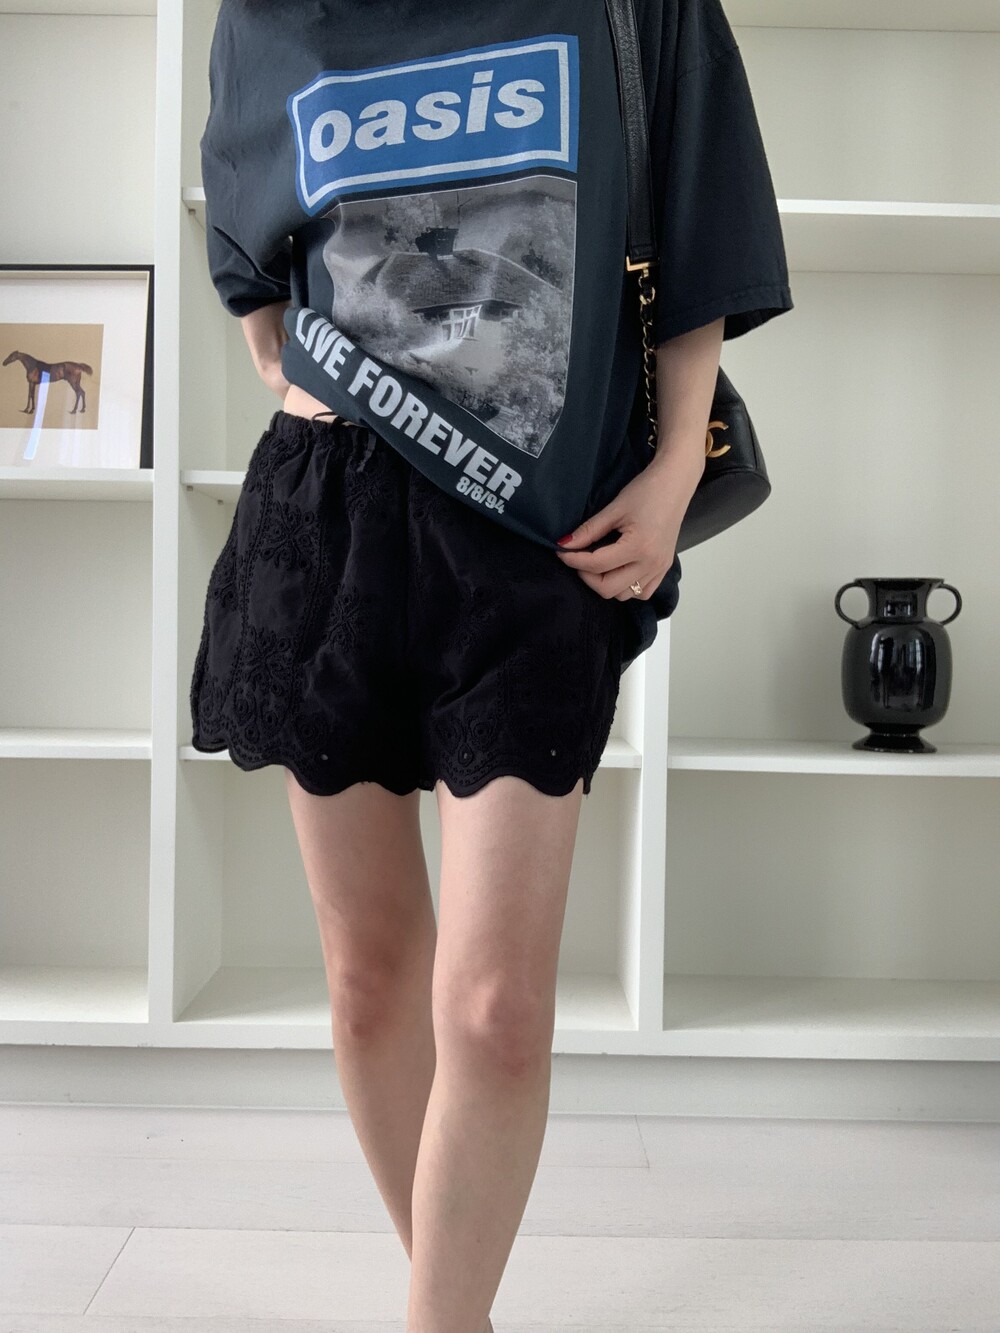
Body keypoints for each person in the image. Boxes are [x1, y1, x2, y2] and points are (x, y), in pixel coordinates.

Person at [189, 0, 793, 1327]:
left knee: (497, 1008)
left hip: (536, 534)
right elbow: (257, 270)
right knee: (369, 982)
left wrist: (676, 461)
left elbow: (704, 209)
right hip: (331, 515)